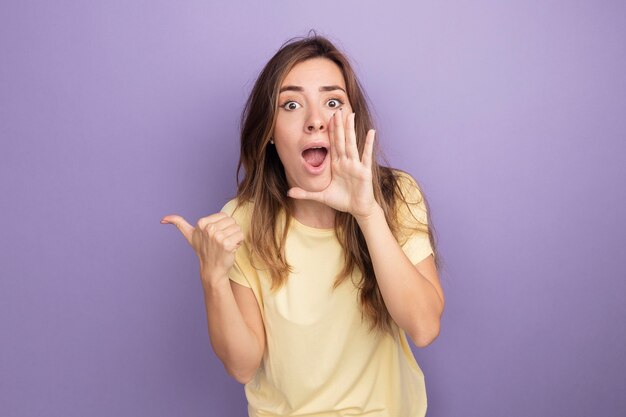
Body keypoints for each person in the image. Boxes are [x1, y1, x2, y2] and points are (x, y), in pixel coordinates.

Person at [161, 33, 445, 417]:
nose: (315, 121)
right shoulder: (241, 220)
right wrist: (213, 278)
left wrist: (368, 213)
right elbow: (243, 365)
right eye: (291, 104)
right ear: (271, 134)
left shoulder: (395, 195)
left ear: (353, 120)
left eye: (332, 102)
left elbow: (424, 327)